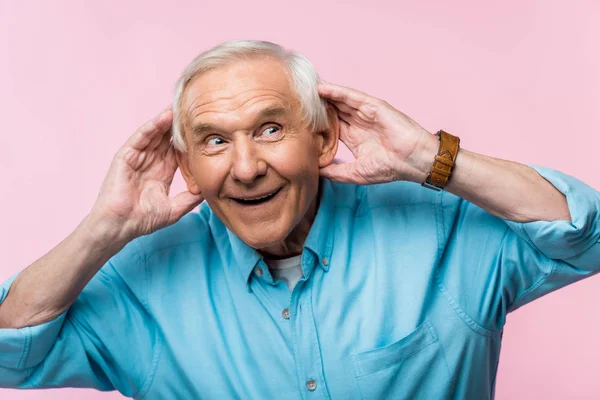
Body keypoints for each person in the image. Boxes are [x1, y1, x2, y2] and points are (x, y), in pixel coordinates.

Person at [0, 39, 598, 400]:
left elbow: (584, 237)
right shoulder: (141, 284)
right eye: (212, 141)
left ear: (323, 138)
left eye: (269, 129)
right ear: (185, 166)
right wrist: (106, 227)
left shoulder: (440, 229)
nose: (246, 167)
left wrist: (428, 158)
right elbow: (11, 353)